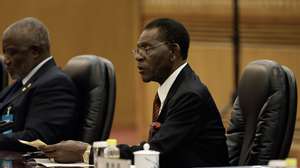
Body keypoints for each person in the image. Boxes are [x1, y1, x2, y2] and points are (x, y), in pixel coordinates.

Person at [41, 18, 229, 167]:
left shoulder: (189, 95)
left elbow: (154, 152)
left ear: (173, 52)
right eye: (137, 49)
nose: (138, 57)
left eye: (147, 48)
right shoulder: (175, 89)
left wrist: (87, 152)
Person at [0, 17, 78, 151]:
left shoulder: (55, 83)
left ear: (35, 52)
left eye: (12, 52)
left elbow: (36, 138)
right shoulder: (22, 83)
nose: (6, 60)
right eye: (5, 53)